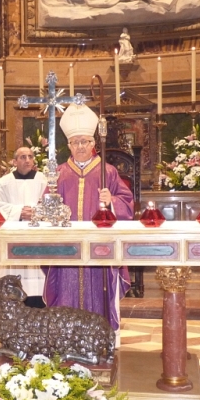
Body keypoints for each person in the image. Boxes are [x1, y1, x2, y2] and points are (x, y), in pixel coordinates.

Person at [43, 104, 134, 335]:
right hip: (67, 246)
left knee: (98, 290)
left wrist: (111, 199)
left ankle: (98, 335)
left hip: (99, 244)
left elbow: (127, 202)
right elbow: (45, 206)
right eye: (76, 142)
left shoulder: (108, 171)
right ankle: (65, 335)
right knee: (66, 289)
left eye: (85, 141)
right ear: (69, 146)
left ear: (94, 143)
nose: (80, 146)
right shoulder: (59, 173)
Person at [0, 146, 48, 308]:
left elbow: (55, 201)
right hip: (14, 236)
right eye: (22, 157)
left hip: (39, 235)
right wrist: (18, 212)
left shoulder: (45, 180)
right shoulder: (3, 183)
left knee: (40, 278)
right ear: (14, 161)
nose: (27, 160)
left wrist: (36, 212)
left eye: (29, 156)